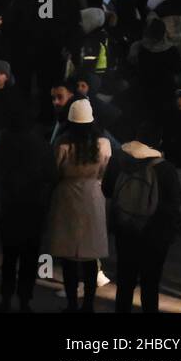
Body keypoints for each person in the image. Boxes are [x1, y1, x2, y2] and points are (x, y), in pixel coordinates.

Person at [102, 123, 181, 313]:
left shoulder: (120, 161)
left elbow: (107, 190)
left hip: (126, 228)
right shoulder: (166, 169)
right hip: (155, 234)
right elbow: (174, 203)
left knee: (125, 281)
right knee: (150, 284)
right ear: (158, 142)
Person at [45, 99, 110, 312]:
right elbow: (106, 170)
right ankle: (88, 305)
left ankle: (72, 304)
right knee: (91, 257)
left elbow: (54, 170)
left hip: (67, 196)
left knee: (69, 257)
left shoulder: (63, 143)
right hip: (93, 195)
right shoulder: (103, 144)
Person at [0, 100, 54, 311]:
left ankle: (6, 297)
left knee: (9, 257)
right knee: (29, 257)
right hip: (34, 207)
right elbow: (50, 174)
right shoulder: (40, 144)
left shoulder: (4, 141)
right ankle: (25, 299)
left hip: (9, 205)